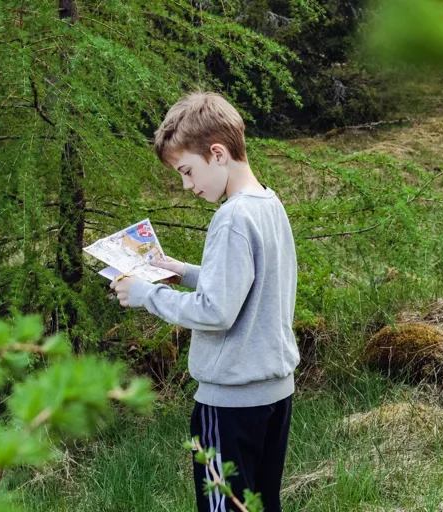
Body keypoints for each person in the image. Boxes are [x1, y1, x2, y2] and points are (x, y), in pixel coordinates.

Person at [110, 91, 300, 512]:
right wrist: (182, 271)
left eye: (187, 171)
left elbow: (216, 311)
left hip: (230, 404)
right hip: (273, 396)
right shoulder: (268, 204)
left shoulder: (231, 218)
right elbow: (248, 286)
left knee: (225, 508)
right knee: (260, 504)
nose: (186, 186)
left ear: (217, 154)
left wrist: (148, 295)